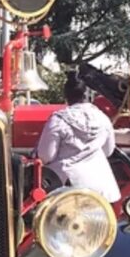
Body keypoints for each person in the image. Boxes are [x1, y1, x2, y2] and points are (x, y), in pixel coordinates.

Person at [36, 72, 120, 203]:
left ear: (67, 96)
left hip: (67, 190)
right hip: (102, 191)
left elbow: (46, 156)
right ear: (87, 95)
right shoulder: (103, 118)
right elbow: (108, 151)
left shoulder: (58, 120)